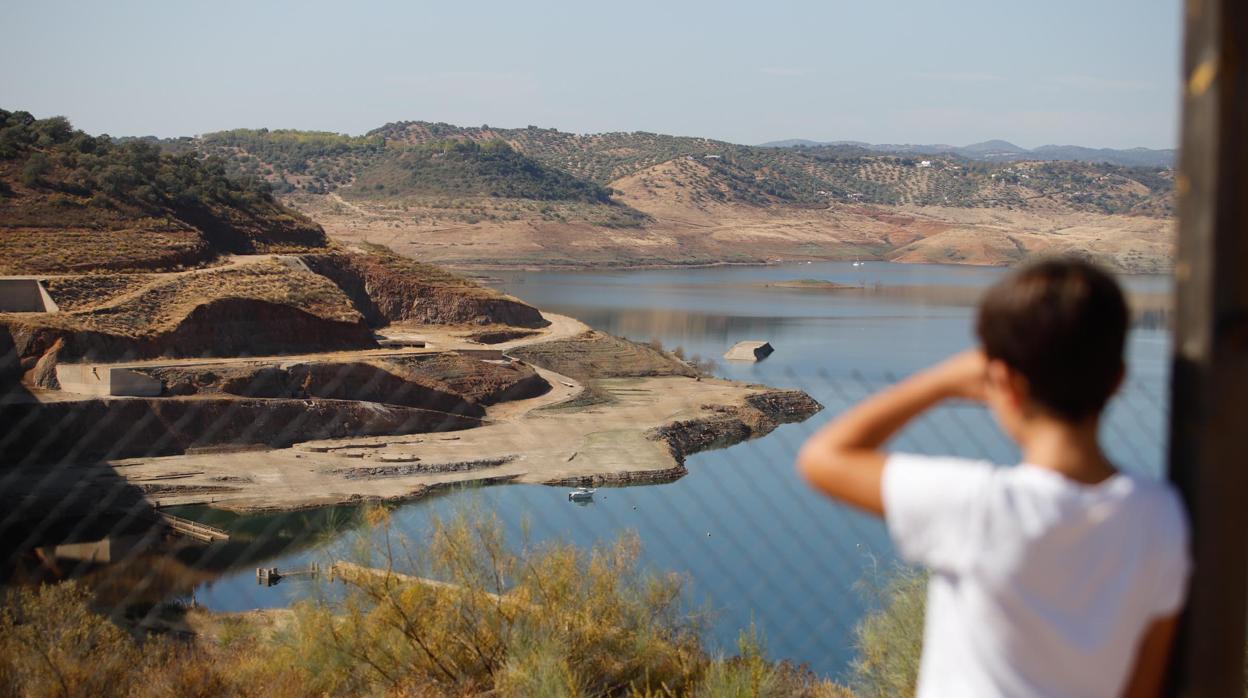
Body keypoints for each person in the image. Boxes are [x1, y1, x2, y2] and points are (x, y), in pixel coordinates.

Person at [797, 258, 1190, 697]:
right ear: (1118, 379)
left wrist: (941, 381)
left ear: (1002, 381)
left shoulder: (979, 508)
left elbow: (823, 457)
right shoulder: (1160, 517)